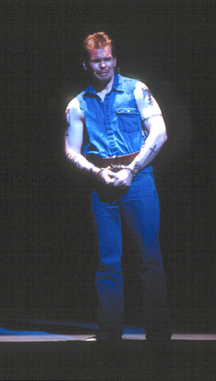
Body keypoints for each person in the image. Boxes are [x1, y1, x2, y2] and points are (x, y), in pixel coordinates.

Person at [64, 32, 171, 341]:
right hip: (103, 185)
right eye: (96, 61)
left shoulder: (137, 90)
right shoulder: (77, 104)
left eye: (107, 59)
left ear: (115, 60)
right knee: (107, 261)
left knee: (149, 258)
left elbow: (160, 132)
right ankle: (110, 335)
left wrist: (133, 169)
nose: (103, 66)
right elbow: (70, 149)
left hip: (138, 180)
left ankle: (159, 336)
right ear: (86, 64)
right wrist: (97, 173)